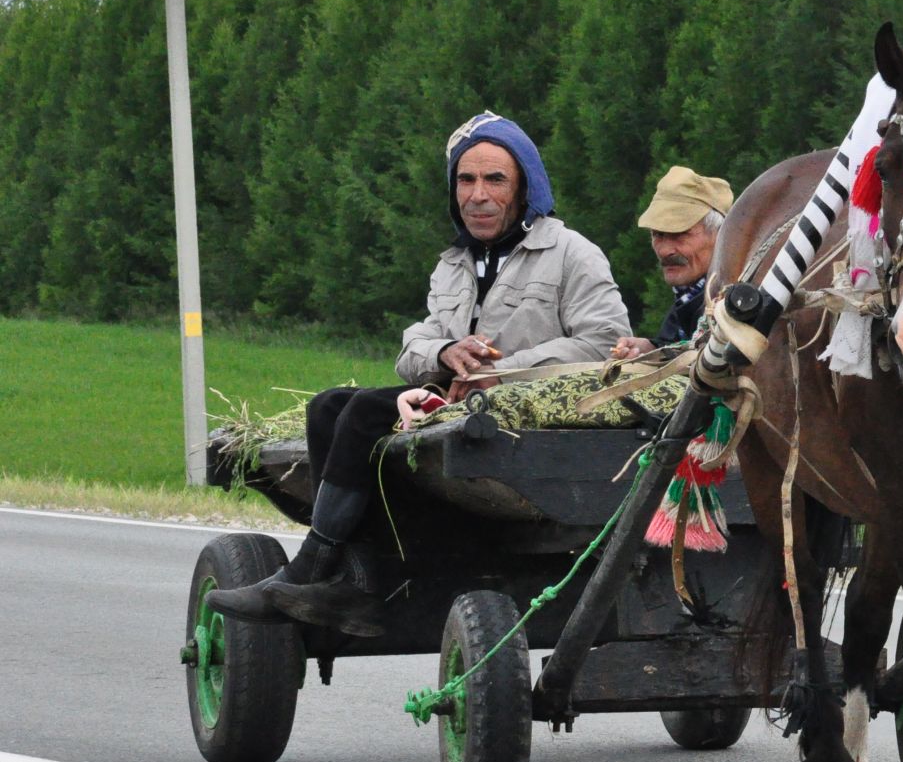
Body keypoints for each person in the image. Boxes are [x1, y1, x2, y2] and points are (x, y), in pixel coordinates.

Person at [209, 112, 631, 636]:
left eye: (495, 179)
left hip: (523, 416)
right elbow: (416, 342)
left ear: (525, 187)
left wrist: (504, 373)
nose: (478, 194)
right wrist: (447, 352)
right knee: (329, 406)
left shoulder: (573, 254)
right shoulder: (453, 263)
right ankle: (357, 577)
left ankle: (318, 566)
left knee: (364, 412)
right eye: (466, 180)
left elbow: (603, 345)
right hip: (449, 404)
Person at [609, 164, 734, 359]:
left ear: (720, 235)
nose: (665, 250)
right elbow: (679, 347)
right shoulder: (689, 294)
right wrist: (650, 350)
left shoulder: (736, 302)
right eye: (658, 234)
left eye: (680, 234)